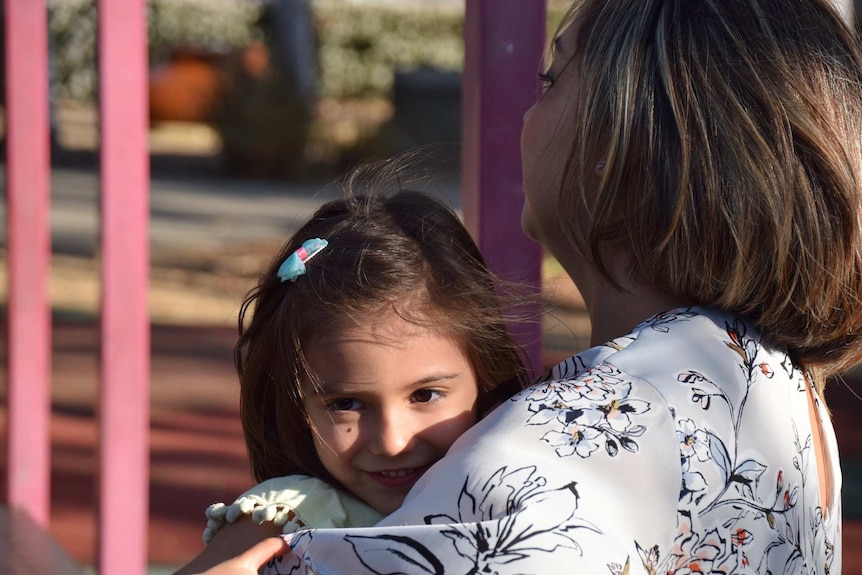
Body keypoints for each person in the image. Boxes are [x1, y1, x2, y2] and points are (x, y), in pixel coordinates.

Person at [189, 0, 862, 572]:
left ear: (619, 137)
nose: (526, 117)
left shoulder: (574, 436)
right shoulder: (780, 383)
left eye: (551, 78)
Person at [174, 187, 531, 574]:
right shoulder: (293, 519)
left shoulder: (522, 493)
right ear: (299, 403)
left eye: (425, 395)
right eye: (346, 404)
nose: (391, 442)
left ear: (484, 376)